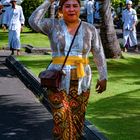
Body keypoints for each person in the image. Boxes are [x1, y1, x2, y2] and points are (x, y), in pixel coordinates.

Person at [29, 0, 107, 139]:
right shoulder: (52, 25)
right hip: (57, 80)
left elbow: (98, 53)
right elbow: (33, 21)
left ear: (80, 8)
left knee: (77, 122)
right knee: (62, 119)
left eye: (75, 6)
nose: (71, 9)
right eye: (67, 6)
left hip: (82, 81)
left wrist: (103, 76)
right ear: (61, 9)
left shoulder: (90, 29)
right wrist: (49, 1)